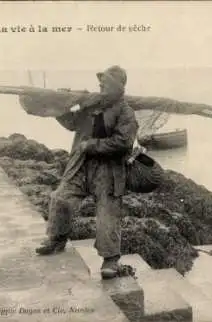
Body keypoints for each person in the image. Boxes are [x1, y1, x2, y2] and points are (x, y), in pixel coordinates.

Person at [35, 65, 139, 280]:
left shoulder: (126, 112)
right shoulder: (90, 105)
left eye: (105, 83)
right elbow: (72, 124)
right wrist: (61, 104)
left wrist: (92, 145)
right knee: (61, 198)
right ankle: (57, 238)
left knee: (107, 214)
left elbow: (123, 142)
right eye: (100, 83)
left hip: (109, 170)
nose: (100, 86)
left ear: (116, 87)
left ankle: (110, 260)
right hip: (81, 165)